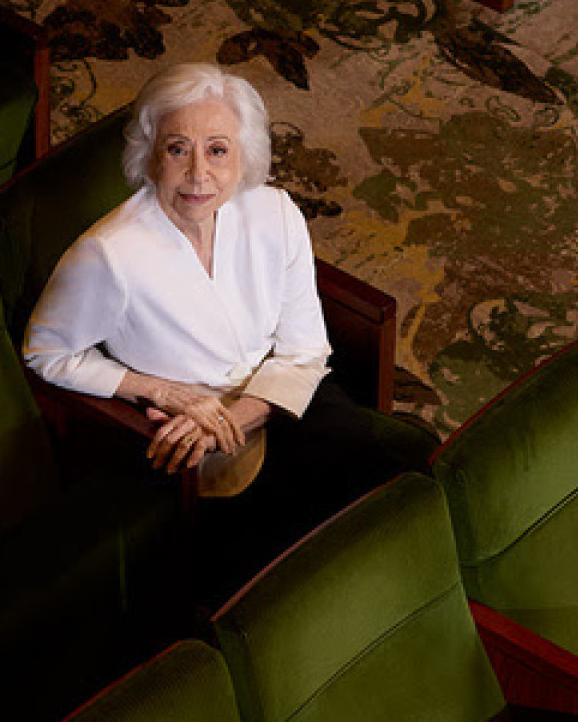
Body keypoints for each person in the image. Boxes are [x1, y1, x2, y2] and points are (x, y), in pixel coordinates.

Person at [23, 58, 433, 592]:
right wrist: (161, 391)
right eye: (178, 150)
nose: (199, 174)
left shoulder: (276, 214)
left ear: (245, 157)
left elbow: (304, 350)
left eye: (218, 150)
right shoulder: (106, 255)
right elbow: (45, 353)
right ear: (150, 157)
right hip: (194, 451)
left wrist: (234, 418)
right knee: (267, 579)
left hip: (277, 398)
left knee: (398, 480)